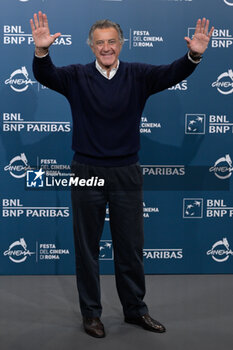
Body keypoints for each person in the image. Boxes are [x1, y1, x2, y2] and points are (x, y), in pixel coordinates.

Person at [30, 12, 214, 338]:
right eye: (99, 43)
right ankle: (91, 314)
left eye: (111, 42)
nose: (106, 48)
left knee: (130, 247)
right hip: (87, 171)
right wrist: (42, 52)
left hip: (126, 172)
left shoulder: (139, 75)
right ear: (91, 47)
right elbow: (46, 75)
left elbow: (172, 73)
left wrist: (194, 56)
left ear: (121, 44)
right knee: (87, 248)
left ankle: (135, 311)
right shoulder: (75, 76)